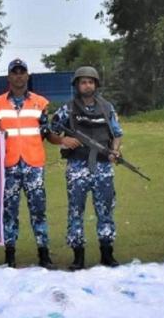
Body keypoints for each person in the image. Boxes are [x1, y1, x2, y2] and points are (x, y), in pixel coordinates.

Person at [49, 66, 124, 270]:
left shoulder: (107, 108)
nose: (87, 85)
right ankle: (78, 257)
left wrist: (114, 151)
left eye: (90, 82)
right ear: (77, 85)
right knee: (76, 211)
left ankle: (107, 253)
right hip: (77, 167)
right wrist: (64, 140)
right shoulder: (68, 109)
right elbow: (50, 131)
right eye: (83, 82)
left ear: (96, 85)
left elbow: (117, 133)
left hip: (102, 167)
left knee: (105, 210)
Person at [0, 58, 55, 269]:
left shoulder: (40, 103)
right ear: (8, 77)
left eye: (22, 72)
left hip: (34, 163)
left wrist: (62, 139)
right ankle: (10, 256)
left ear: (27, 76)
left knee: (38, 210)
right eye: (14, 72)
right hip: (8, 165)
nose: (18, 76)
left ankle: (44, 254)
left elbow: (46, 132)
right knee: (9, 211)